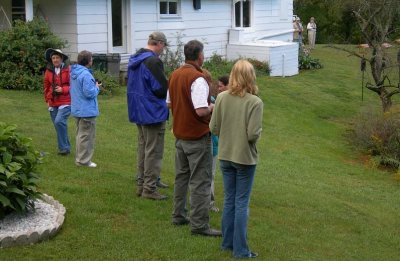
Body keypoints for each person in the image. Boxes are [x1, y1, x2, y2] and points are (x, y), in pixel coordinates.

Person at [210, 59, 263, 259]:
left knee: (230, 200)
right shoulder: (255, 102)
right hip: (244, 158)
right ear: (251, 77)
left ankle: (227, 244)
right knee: (241, 202)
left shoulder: (222, 98)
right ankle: (240, 250)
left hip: (225, 155)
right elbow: (252, 134)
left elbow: (213, 128)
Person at [168, 40, 221, 237]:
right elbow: (200, 111)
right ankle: (199, 225)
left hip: (180, 135)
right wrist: (213, 107)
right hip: (196, 137)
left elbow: (168, 103)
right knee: (201, 181)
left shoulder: (174, 75)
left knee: (181, 177)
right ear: (200, 56)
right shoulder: (197, 78)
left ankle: (179, 214)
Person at [127, 31, 169, 200]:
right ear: (158, 43)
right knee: (153, 151)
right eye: (164, 47)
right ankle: (149, 189)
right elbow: (160, 88)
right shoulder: (153, 61)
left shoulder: (135, 58)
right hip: (152, 111)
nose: (163, 50)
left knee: (143, 148)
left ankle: (142, 184)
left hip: (138, 109)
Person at [70, 50, 100, 168]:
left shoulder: (74, 72)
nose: (92, 60)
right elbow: (89, 93)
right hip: (86, 110)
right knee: (86, 136)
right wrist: (97, 87)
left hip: (77, 108)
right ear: (88, 61)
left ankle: (80, 159)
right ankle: (83, 161)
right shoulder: (86, 74)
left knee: (80, 135)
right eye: (91, 59)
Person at [43, 48, 71, 155]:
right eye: (53, 58)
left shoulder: (68, 69)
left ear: (62, 58)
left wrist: (63, 89)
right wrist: (47, 99)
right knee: (58, 125)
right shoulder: (49, 70)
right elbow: (46, 86)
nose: (55, 60)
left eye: (57, 58)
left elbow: (73, 85)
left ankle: (64, 148)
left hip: (66, 100)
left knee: (59, 121)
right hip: (53, 101)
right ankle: (65, 148)